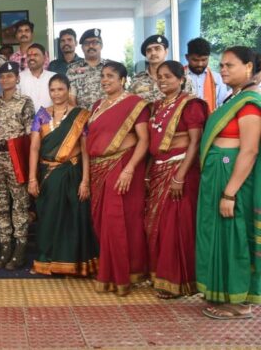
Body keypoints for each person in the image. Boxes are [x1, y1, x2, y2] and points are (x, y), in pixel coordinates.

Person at [197, 46, 261, 320]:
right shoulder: (232, 98)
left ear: (249, 67)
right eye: (221, 65)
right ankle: (223, 292)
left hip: (232, 178)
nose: (223, 69)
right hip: (218, 174)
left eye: (229, 65)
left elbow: (249, 150)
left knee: (235, 235)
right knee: (220, 235)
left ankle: (241, 302)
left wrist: (230, 193)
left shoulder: (249, 103)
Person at [145, 60, 207, 299]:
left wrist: (180, 176)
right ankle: (160, 275)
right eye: (160, 76)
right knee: (158, 225)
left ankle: (178, 281)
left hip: (181, 170)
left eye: (168, 76)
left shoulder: (191, 105)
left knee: (176, 226)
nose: (162, 81)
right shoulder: (157, 106)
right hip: (159, 169)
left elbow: (195, 142)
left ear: (181, 79)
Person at [87, 61, 149, 296]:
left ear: (123, 80)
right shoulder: (97, 106)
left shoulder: (135, 104)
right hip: (98, 169)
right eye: (103, 76)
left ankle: (121, 276)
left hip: (121, 165)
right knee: (101, 223)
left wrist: (130, 169)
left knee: (118, 222)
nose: (105, 80)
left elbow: (144, 140)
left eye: (110, 76)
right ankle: (109, 271)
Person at [28, 74, 98, 276]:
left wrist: (85, 181)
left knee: (73, 219)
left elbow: (85, 150)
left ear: (68, 90)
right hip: (48, 175)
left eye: (61, 89)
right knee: (48, 218)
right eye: (53, 90)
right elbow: (34, 148)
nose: (57, 94)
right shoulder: (42, 115)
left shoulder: (80, 115)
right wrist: (32, 178)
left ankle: (74, 264)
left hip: (72, 173)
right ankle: (47, 262)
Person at [0, 62, 34, 270]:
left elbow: (30, 134)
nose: (5, 80)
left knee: (19, 204)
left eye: (10, 76)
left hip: (16, 158)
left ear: (17, 79)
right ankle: (5, 246)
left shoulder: (25, 102)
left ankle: (20, 249)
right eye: (2, 76)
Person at [130, 35, 195, 103]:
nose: (153, 53)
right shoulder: (137, 80)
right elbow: (130, 104)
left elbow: (191, 102)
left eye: (157, 49)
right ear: (146, 55)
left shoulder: (180, 76)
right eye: (149, 50)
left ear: (166, 51)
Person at [185, 37, 229, 113]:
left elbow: (223, 105)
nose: (200, 64)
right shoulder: (178, 77)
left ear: (208, 58)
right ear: (187, 57)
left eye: (204, 60)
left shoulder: (217, 78)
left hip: (211, 119)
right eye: (195, 60)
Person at [66, 29, 107, 110]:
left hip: (108, 114)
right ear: (82, 48)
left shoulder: (111, 67)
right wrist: (80, 116)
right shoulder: (73, 69)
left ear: (101, 45)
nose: (91, 46)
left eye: (95, 42)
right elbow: (71, 99)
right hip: (82, 116)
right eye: (87, 43)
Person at [19, 43, 56, 113]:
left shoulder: (53, 77)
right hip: (26, 119)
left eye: (35, 55)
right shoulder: (19, 78)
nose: (31, 58)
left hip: (51, 118)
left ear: (44, 58)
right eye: (29, 55)